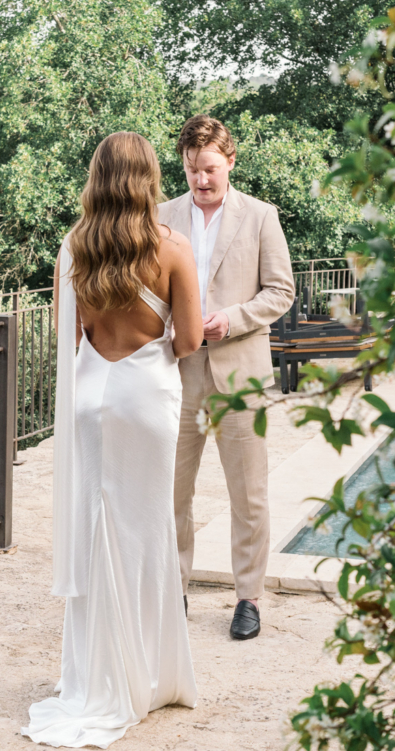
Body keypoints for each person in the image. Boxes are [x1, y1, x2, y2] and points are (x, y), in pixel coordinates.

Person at [24, 132, 203, 749]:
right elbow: (188, 341)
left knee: (95, 529)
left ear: (96, 178)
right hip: (146, 398)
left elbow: (65, 335)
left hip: (92, 396)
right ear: (150, 179)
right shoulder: (173, 249)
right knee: (146, 533)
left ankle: (96, 675)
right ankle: (146, 675)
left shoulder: (74, 247)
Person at [160, 115, 294, 642]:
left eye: (210, 169)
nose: (201, 180)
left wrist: (232, 319)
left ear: (230, 161)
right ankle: (173, 589)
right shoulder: (160, 216)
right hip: (176, 374)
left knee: (249, 494)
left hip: (242, 375)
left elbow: (279, 292)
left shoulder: (262, 216)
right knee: (170, 492)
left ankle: (248, 598)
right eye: (192, 170)